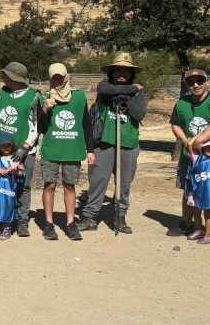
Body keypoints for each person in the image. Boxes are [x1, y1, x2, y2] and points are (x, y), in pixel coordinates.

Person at [81, 53, 147, 234]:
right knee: (97, 181)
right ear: (112, 71)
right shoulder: (106, 87)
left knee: (124, 184)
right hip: (104, 142)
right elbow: (104, 90)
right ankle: (89, 217)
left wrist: (126, 101)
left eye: (126, 70)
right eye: (118, 69)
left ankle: (120, 217)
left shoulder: (140, 92)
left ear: (131, 73)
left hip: (128, 143)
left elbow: (139, 114)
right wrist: (129, 90)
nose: (122, 73)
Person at [169, 69, 210, 243]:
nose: (195, 85)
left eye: (199, 81)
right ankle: (187, 223)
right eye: (191, 82)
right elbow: (175, 125)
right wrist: (186, 142)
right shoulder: (181, 103)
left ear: (206, 81)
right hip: (191, 158)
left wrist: (199, 142)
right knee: (189, 191)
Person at [38, 63, 94, 241]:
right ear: (50, 78)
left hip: (72, 149)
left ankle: (70, 223)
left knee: (70, 185)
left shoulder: (78, 97)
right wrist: (45, 109)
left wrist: (90, 149)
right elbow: (41, 127)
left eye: (60, 77)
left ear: (66, 77)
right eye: (54, 77)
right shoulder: (44, 97)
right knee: (50, 185)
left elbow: (86, 124)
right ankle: (48, 223)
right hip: (51, 148)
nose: (57, 80)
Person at [0, 62, 42, 237]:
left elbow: (36, 126)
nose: (3, 78)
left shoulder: (34, 97)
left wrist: (25, 147)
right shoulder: (1, 95)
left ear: (15, 77)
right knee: (2, 184)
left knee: (23, 186)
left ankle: (22, 221)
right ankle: (2, 217)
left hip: (24, 149)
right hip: (2, 149)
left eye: (6, 75)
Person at [0, 135, 21, 240]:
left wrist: (16, 171)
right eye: (3, 146)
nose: (6, 148)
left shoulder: (15, 157)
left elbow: (21, 171)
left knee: (8, 206)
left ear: (12, 146)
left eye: (8, 146)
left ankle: (7, 228)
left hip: (9, 188)